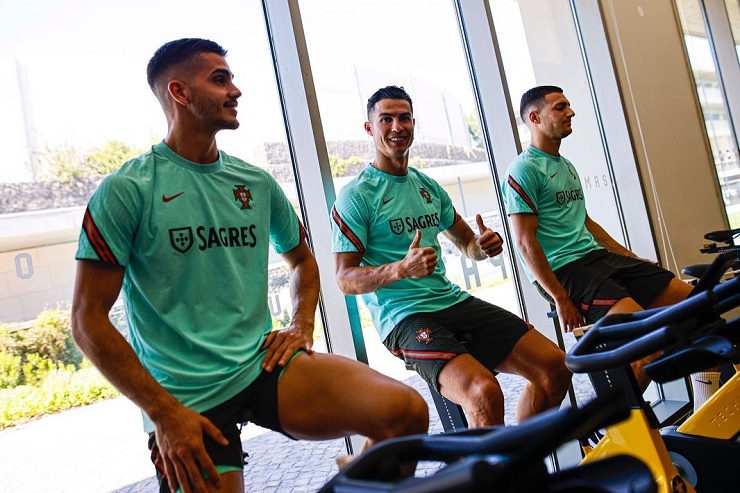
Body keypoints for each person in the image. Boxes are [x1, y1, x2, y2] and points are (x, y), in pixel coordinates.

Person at [71, 39, 429, 493]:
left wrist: (300, 326)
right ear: (180, 92)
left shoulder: (255, 183)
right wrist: (162, 412)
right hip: (185, 394)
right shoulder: (127, 189)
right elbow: (86, 320)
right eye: (220, 80)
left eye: (232, 79)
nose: (235, 90)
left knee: (406, 413)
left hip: (260, 364)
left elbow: (303, 261)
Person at [331, 85, 571, 428]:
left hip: (452, 302)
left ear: (413, 123)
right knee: (484, 393)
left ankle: (524, 452)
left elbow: (468, 244)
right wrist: (401, 269)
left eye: (404, 118)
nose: (397, 126)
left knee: (555, 366)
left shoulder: (428, 187)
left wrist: (483, 245)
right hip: (404, 317)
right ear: (370, 128)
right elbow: (344, 279)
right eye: (386, 119)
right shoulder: (356, 195)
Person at [501, 85, 699, 392]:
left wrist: (630, 258)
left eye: (568, 105)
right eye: (560, 107)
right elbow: (525, 243)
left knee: (695, 307)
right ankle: (618, 418)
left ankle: (708, 404)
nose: (570, 112)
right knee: (649, 343)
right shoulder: (523, 169)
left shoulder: (565, 165)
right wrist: (560, 298)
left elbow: (586, 222)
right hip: (565, 271)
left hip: (597, 259)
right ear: (535, 118)